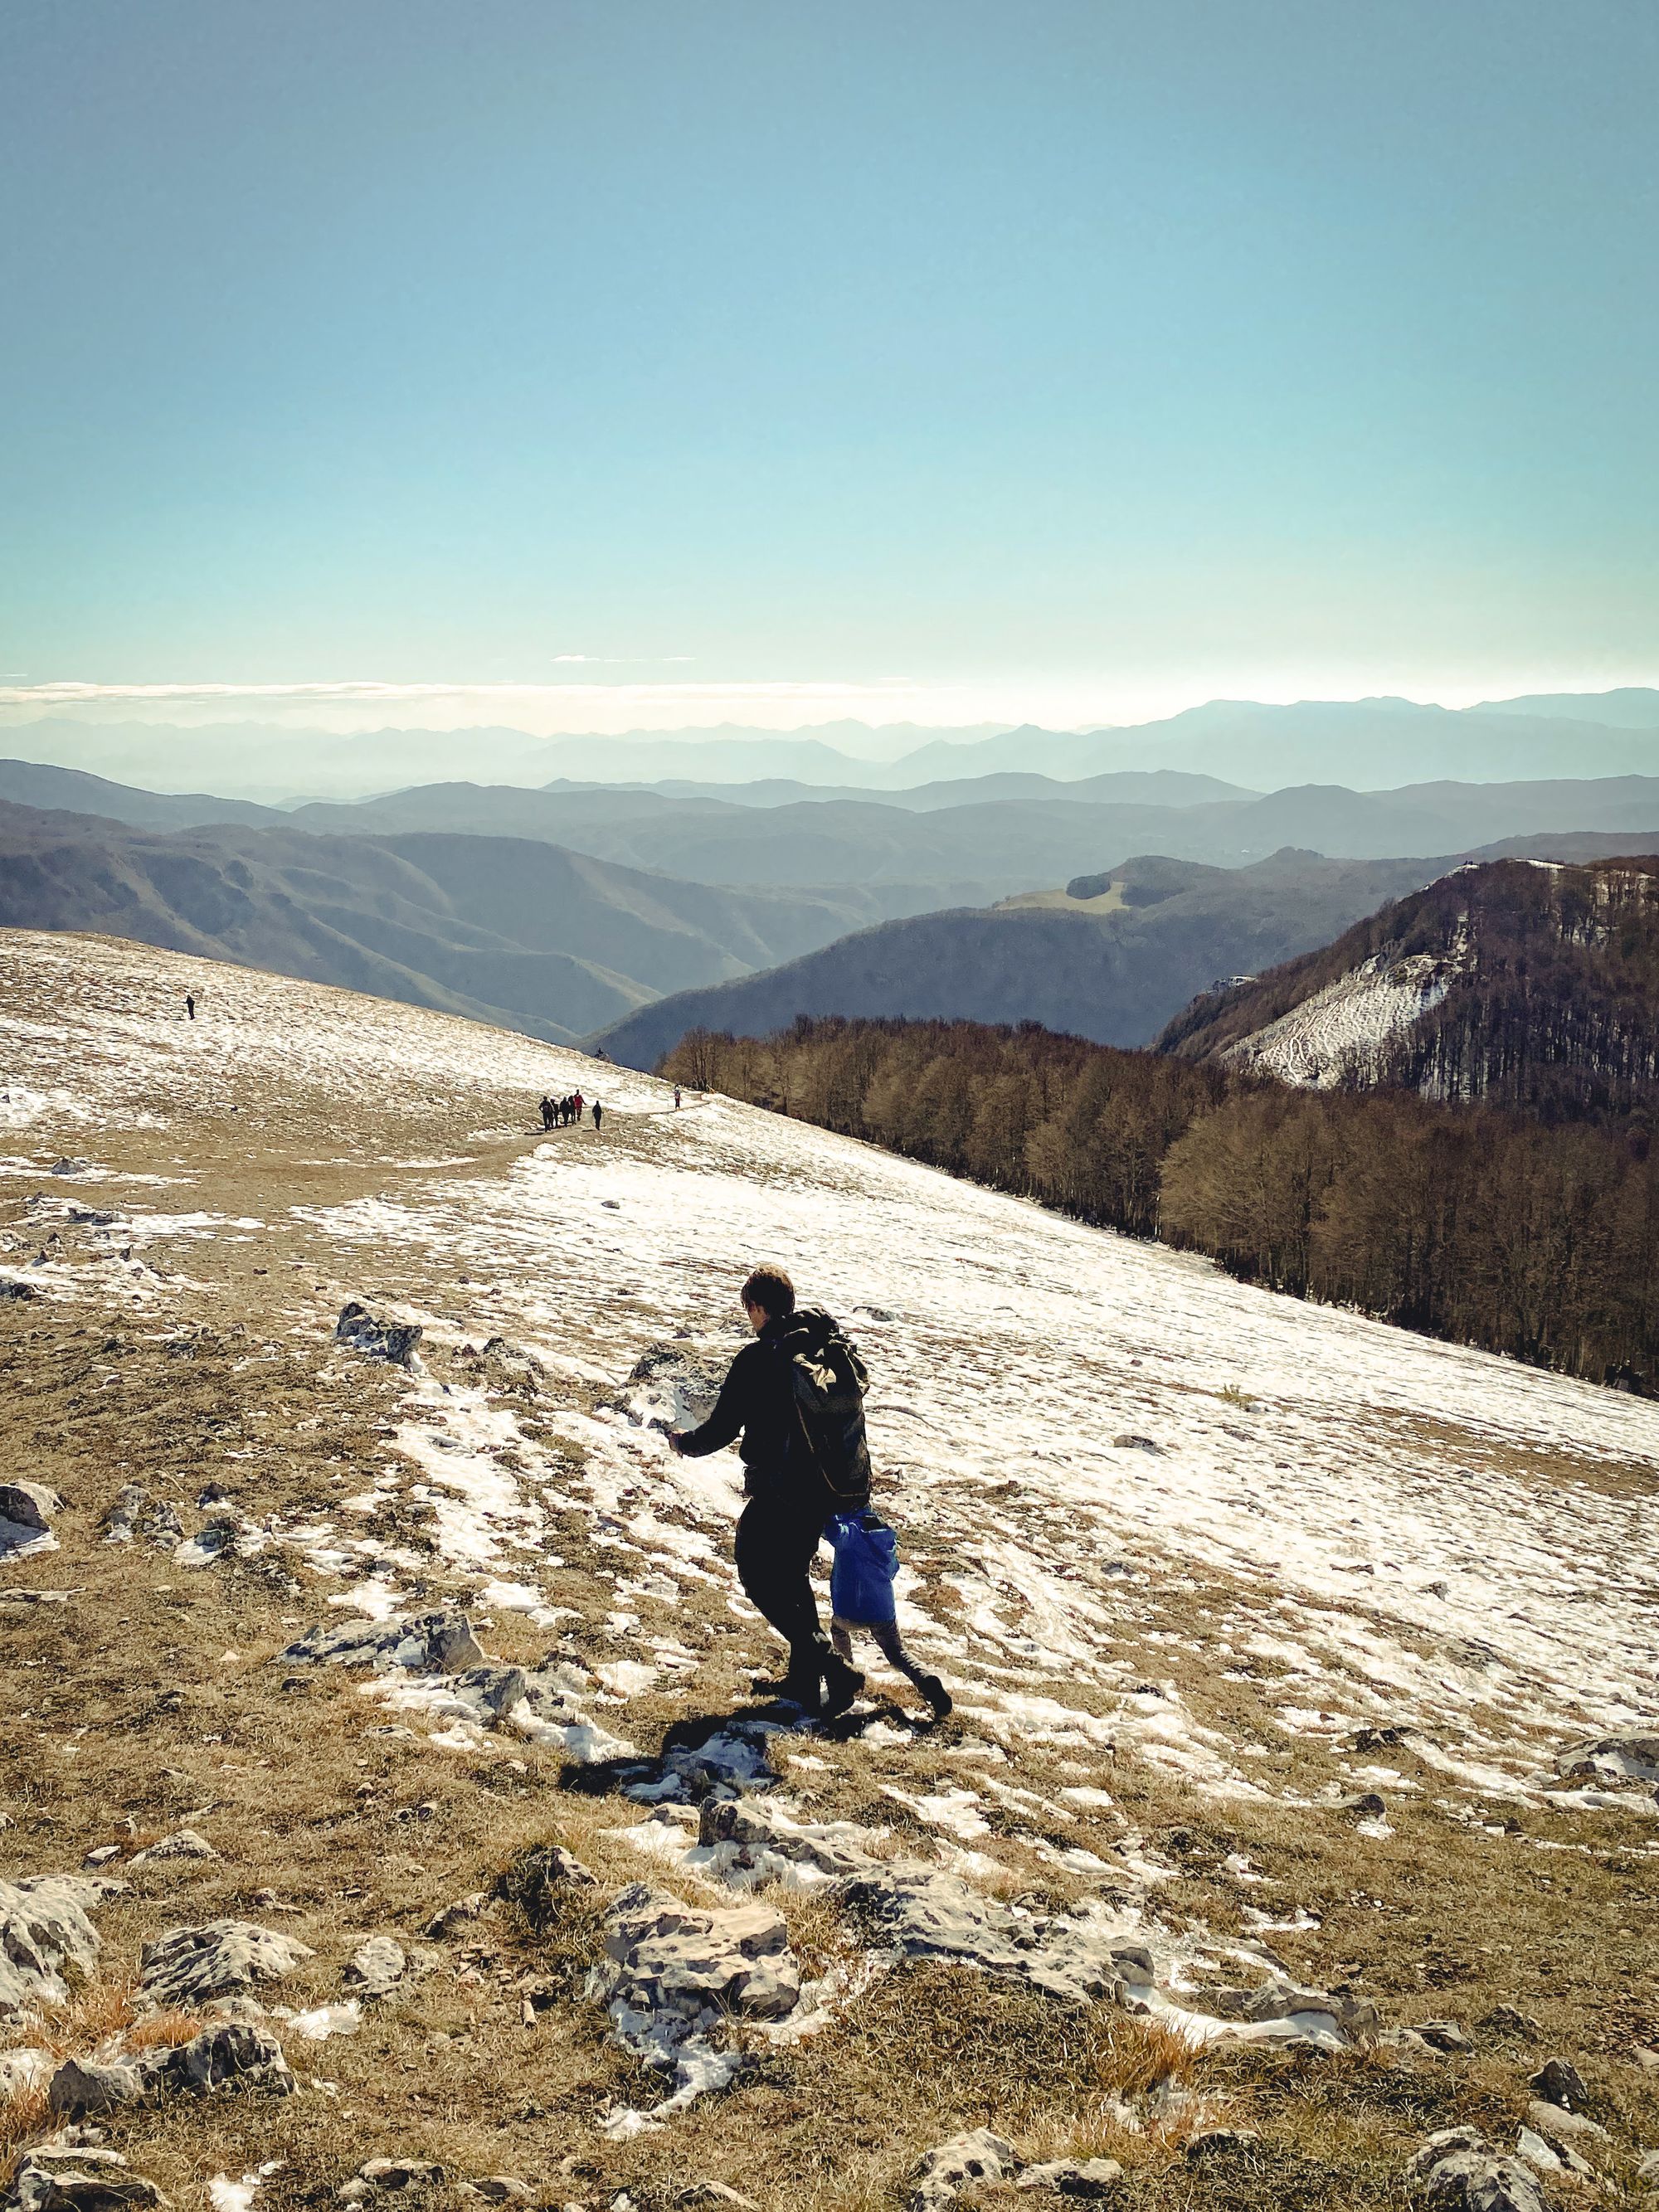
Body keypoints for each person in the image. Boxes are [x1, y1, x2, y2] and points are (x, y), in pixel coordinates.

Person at [670, 1266, 864, 1715]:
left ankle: (832, 1667)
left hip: (780, 1488)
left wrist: (685, 1443)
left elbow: (722, 1428)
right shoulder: (818, 1351)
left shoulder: (758, 1359)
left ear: (758, 1308)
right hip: (824, 1488)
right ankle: (803, 1682)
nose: (749, 1318)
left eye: (749, 1309)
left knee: (756, 1572)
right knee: (793, 1576)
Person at [826, 1508, 951, 1719]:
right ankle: (926, 1680)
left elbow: (834, 1533)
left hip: (851, 1607)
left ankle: (844, 1678)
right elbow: (893, 1569)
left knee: (838, 1630)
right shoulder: (885, 1534)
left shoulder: (851, 1530)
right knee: (897, 1653)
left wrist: (828, 1513)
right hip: (883, 1610)